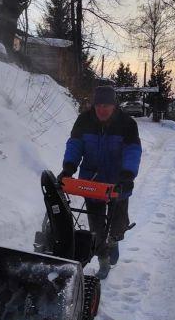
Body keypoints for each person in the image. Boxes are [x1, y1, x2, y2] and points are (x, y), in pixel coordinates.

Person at [58, 84, 142, 278]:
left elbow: (132, 151)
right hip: (92, 182)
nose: (102, 109)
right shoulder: (84, 120)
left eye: (106, 105)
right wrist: (69, 167)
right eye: (98, 105)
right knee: (96, 227)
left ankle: (114, 240)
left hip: (118, 182)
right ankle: (103, 259)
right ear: (94, 105)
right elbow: (75, 145)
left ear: (114, 105)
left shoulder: (127, 124)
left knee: (118, 222)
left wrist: (128, 175)